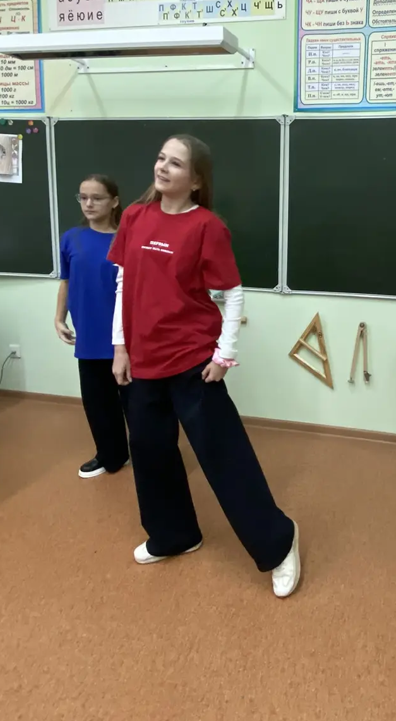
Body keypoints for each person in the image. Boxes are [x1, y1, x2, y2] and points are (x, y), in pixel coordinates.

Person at [106, 134, 301, 598]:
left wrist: (223, 354)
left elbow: (232, 292)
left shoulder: (207, 227)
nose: (163, 167)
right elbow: (124, 284)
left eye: (175, 163)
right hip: (143, 361)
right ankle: (174, 535)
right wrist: (120, 347)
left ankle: (279, 542)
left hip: (193, 360)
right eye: (160, 158)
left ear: (195, 180)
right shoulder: (134, 217)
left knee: (224, 458)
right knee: (150, 454)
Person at [55, 174, 132, 479]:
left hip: (125, 337)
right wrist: (59, 317)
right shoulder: (71, 238)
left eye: (97, 198)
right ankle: (110, 454)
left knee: (135, 403)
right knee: (98, 403)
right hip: (88, 333)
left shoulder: (128, 238)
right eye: (83, 197)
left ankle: (148, 456)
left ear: (114, 202)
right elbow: (66, 281)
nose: (88, 203)